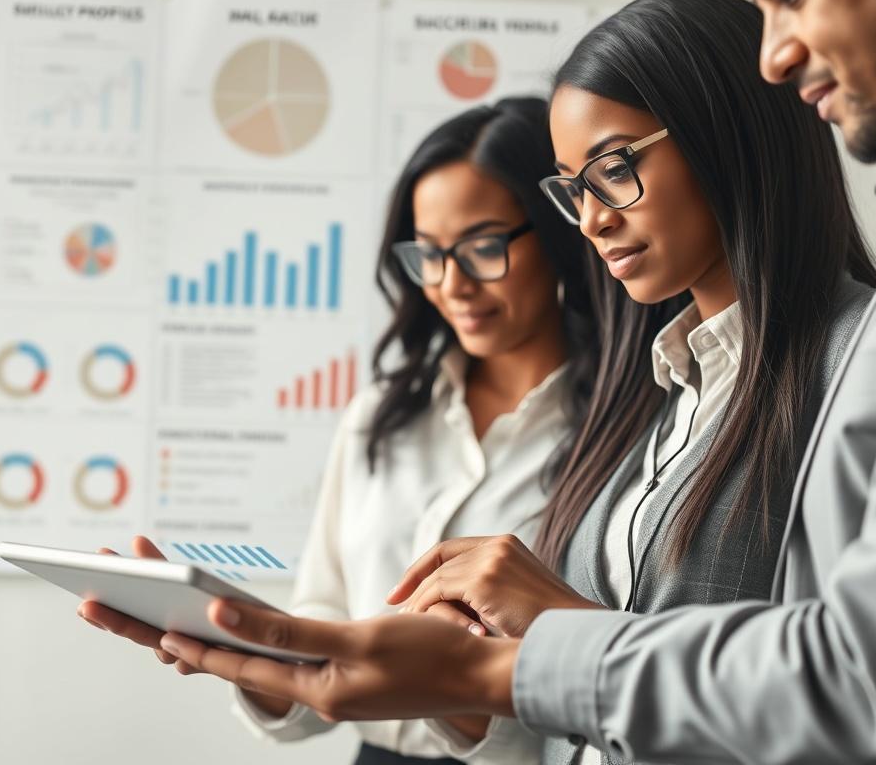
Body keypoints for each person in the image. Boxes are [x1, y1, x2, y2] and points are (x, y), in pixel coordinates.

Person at [147, 0, 876, 762]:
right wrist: (449, 678)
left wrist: (535, 638)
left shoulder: (857, 365)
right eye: (573, 188)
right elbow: (571, 720)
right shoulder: (664, 396)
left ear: (730, 133)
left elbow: (852, 692)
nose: (591, 219)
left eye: (614, 169)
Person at [79, 97, 612, 765]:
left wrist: (460, 693)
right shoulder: (380, 418)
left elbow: (615, 668)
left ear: (560, 232)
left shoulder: (623, 429)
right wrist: (240, 646)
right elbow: (323, 623)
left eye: (482, 248)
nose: (451, 284)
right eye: (430, 255)